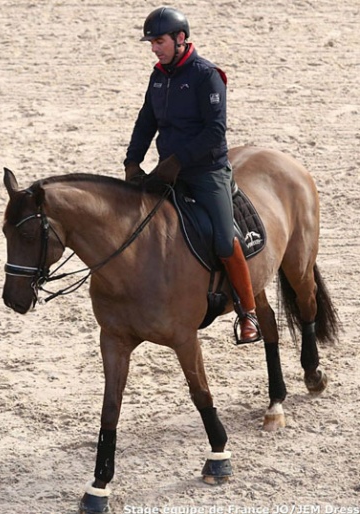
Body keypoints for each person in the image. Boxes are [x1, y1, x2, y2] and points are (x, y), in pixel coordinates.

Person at [123, 7, 261, 343]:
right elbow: (146, 122)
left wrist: (177, 162)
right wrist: (132, 161)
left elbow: (215, 131)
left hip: (206, 173)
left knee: (223, 238)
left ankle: (248, 312)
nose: (154, 48)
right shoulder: (158, 77)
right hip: (169, 170)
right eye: (151, 43)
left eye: (159, 41)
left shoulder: (206, 75)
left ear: (180, 39)